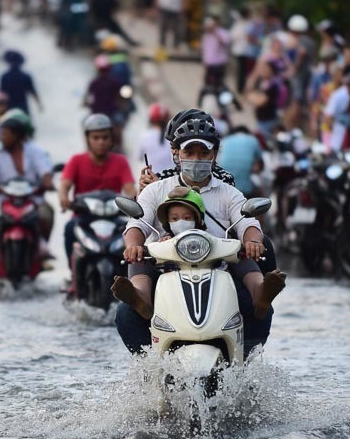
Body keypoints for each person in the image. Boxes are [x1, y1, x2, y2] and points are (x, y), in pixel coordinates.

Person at [112, 116, 284, 358]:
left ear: (214, 155)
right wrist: (134, 247)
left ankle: (258, 301)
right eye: (189, 152)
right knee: (125, 312)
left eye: (203, 153)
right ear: (176, 153)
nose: (196, 159)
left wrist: (253, 241)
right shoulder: (156, 190)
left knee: (249, 275)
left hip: (219, 268)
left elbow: (248, 222)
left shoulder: (229, 192)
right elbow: (136, 225)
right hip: (165, 268)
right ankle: (148, 349)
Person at [59, 114, 136, 275]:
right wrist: (64, 198)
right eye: (96, 137)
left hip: (113, 216)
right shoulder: (76, 161)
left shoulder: (121, 161)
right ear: (87, 139)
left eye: (105, 137)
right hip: (84, 216)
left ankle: (125, 275)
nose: (101, 142)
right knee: (69, 229)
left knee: (131, 233)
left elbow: (130, 188)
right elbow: (65, 185)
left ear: (111, 139)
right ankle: (73, 272)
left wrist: (135, 199)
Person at [0, 111, 54, 274]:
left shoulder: (35, 151)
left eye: (5, 134)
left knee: (46, 215)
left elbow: (45, 172)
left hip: (32, 199)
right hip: (3, 198)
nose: (1, 137)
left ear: (17, 135)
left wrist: (48, 182)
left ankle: (41, 251)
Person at [217, 126, 263, 197]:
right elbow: (260, 166)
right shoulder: (253, 140)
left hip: (225, 189)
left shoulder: (224, 140)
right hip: (245, 190)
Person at [0, 50, 42, 116]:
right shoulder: (26, 77)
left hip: (9, 109)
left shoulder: (4, 77)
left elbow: (1, 94)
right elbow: (33, 92)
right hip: (23, 108)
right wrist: (39, 104)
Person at [137, 103, 174, 174]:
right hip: (173, 177)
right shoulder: (175, 135)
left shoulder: (144, 136)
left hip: (153, 178)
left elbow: (139, 157)